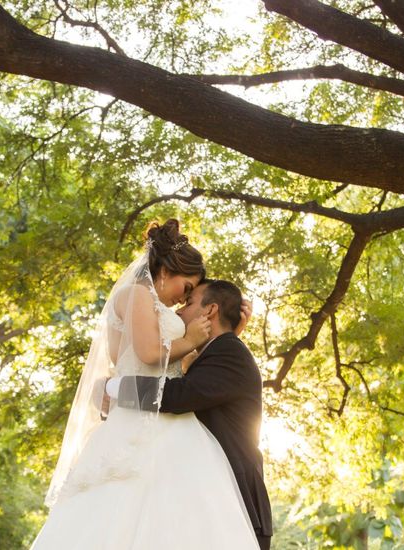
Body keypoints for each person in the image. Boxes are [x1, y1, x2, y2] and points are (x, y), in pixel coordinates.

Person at [30, 219, 261, 550]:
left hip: (159, 412)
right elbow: (150, 353)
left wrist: (223, 336)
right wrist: (193, 339)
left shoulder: (153, 307)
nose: (182, 303)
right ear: (166, 271)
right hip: (147, 420)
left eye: (190, 297)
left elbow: (184, 377)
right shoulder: (137, 294)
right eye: (186, 289)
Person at [109, 279, 274, 550]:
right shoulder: (218, 352)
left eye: (189, 303)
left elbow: (178, 395)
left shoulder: (229, 352)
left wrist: (114, 387)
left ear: (209, 311)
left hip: (239, 506)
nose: (179, 311)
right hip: (214, 503)